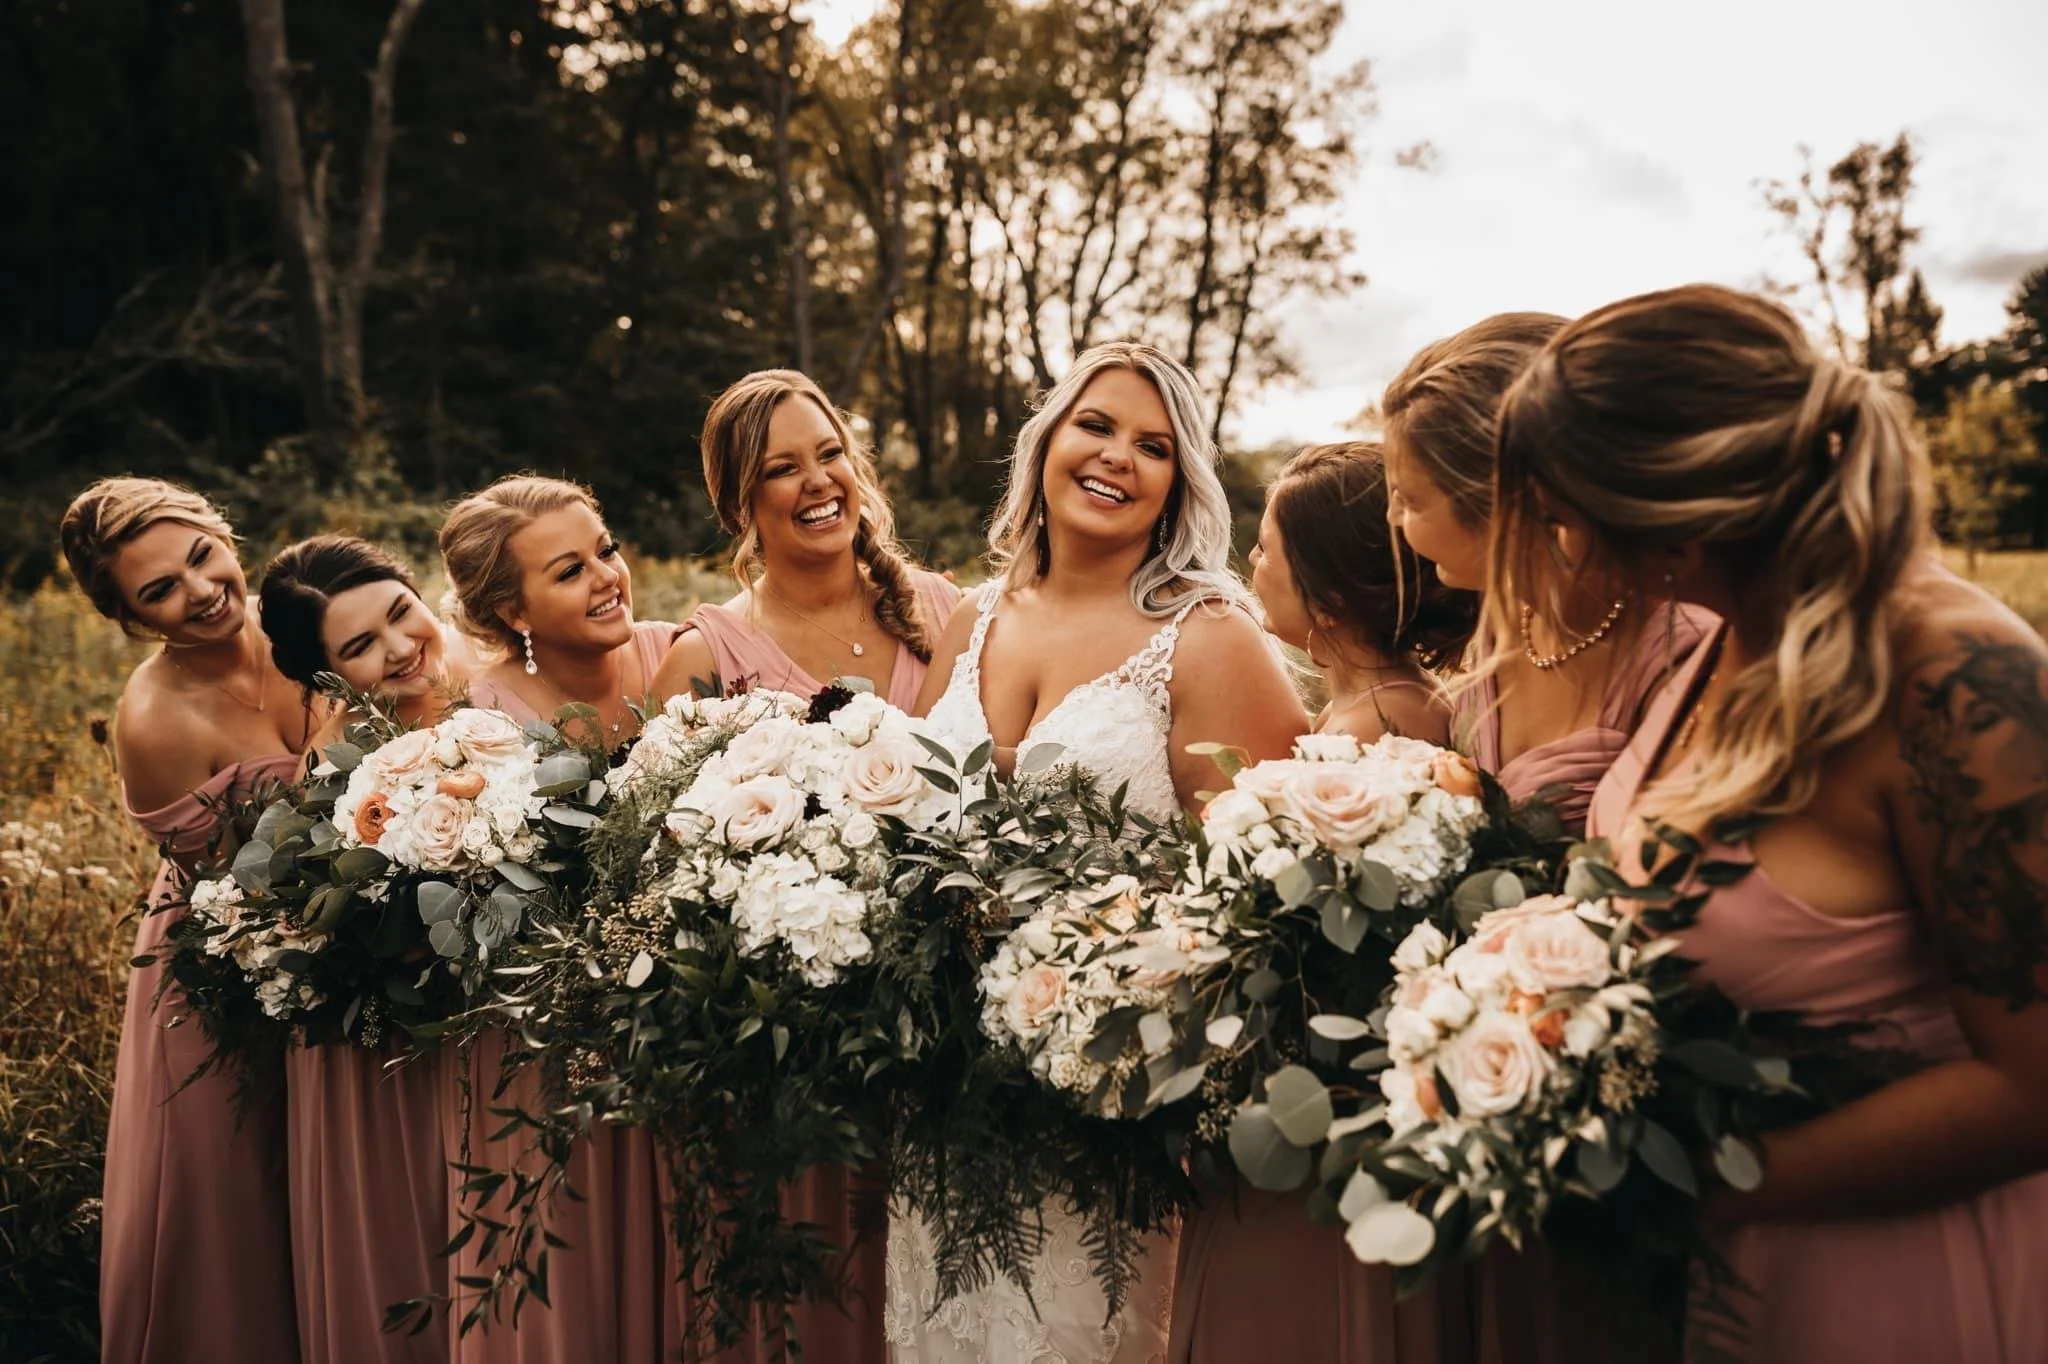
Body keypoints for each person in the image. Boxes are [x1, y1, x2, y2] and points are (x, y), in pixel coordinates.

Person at [1499, 284, 2048, 1362]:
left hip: (1894, 1283)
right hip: (1719, 1282)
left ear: (1669, 513)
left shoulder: (1952, 680)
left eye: (1564, 517)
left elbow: (2033, 1082)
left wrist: (1672, 1186)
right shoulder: (1721, 633)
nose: (1565, 553)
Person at [886, 341, 1306, 1364]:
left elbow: (1259, 897)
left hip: (1103, 1109)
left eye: (1152, 445)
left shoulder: (1208, 638)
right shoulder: (966, 621)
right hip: (940, 1101)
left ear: (1178, 483)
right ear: (1046, 440)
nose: (1116, 456)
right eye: (1096, 425)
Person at [1383, 314, 1713, 1363]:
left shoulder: (1684, 651)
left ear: (1499, 502)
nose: (1392, 518)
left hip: (1633, 1106)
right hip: (1493, 1093)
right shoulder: (1486, 659)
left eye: (1406, 494)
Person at [652, 369, 961, 1361]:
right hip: (795, 1068)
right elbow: (661, 878)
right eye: (781, 468)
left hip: (950, 1044)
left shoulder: (948, 609)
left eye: (827, 453)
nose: (816, 480)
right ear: (740, 502)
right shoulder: (701, 656)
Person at [1168, 441, 1478, 1364]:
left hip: (1330, 1129)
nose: (1252, 565)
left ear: (1331, 591)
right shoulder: (1353, 718)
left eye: (1266, 547)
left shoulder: (1395, 726)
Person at [59, 476, 310, 1364]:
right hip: (235, 963)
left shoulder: (306, 620)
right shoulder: (155, 721)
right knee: (238, 1211)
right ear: (130, 617)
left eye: (202, 557)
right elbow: (242, 897)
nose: (201, 592)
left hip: (366, 927)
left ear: (222, 532)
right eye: (160, 590)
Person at [437, 475, 687, 1363]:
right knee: (577, 1257)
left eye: (607, 551)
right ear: (513, 612)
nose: (608, 577)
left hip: (683, 1019)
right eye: (571, 570)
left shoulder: (680, 657)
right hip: (554, 1045)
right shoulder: (477, 724)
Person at [259, 535, 468, 1364]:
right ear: (328, 680)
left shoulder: (502, 684)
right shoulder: (340, 780)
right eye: (360, 648)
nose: (400, 647)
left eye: (400, 613)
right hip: (414, 1056)